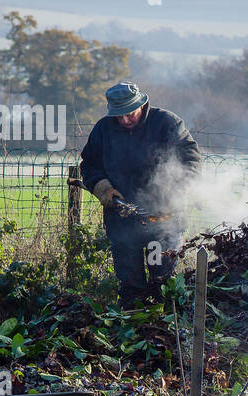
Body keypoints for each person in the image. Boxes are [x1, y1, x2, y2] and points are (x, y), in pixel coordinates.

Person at [80, 81, 201, 306]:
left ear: (141, 105)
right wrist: (102, 188)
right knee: (130, 285)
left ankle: (164, 329)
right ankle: (132, 327)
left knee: (161, 282)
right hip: (122, 220)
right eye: (119, 115)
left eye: (129, 114)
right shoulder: (103, 130)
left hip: (163, 221)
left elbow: (191, 161)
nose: (125, 120)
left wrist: (176, 191)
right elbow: (89, 165)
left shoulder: (167, 123)